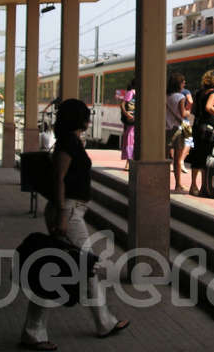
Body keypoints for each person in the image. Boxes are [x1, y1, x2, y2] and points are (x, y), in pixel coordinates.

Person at [20, 98, 129, 350]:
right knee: (78, 266)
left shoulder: (70, 141)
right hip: (67, 211)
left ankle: (99, 322)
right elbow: (59, 178)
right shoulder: (68, 143)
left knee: (63, 266)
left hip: (69, 210)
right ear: (77, 118)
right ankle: (100, 323)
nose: (89, 117)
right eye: (85, 114)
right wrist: (61, 215)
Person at [166, 72, 190, 192]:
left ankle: (162, 182)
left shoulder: (165, 96)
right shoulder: (180, 97)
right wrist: (188, 112)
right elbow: (182, 114)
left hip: (166, 129)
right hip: (177, 130)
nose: (184, 83)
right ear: (178, 84)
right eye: (183, 82)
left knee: (165, 157)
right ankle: (178, 184)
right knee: (177, 159)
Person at [120, 79, 136, 171]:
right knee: (130, 141)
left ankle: (129, 163)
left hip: (135, 121)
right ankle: (128, 163)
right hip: (131, 121)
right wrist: (127, 114)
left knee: (131, 142)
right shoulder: (131, 92)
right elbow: (122, 104)